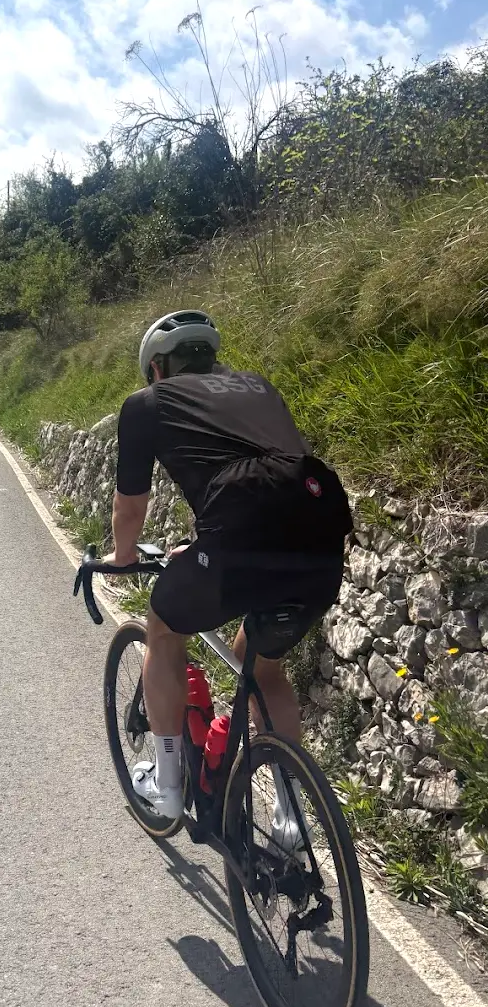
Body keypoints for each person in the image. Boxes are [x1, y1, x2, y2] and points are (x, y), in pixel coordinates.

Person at [107, 310, 352, 843]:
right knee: (261, 667)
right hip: (318, 549)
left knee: (164, 628)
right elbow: (276, 485)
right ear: (211, 357)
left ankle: (168, 783)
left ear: (156, 369)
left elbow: (131, 505)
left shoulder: (148, 404)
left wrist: (124, 555)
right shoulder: (258, 389)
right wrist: (203, 543)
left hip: (236, 549)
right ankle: (291, 814)